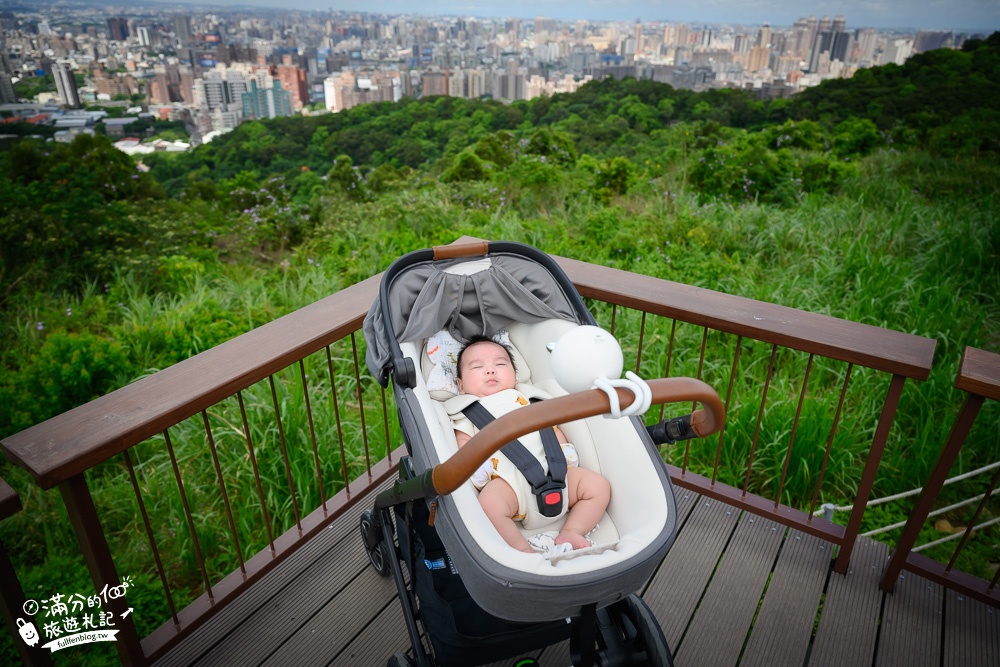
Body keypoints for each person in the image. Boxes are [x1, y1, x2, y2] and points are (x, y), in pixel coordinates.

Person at [452, 336, 611, 554]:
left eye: (500, 364)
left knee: (598, 487)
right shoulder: (466, 412)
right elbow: (464, 444)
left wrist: (563, 449)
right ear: (461, 385)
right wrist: (477, 468)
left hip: (557, 473)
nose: (490, 370)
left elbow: (550, 429)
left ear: (515, 376)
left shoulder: (530, 398)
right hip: (509, 483)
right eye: (478, 367)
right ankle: (522, 549)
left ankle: (573, 530)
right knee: (489, 504)